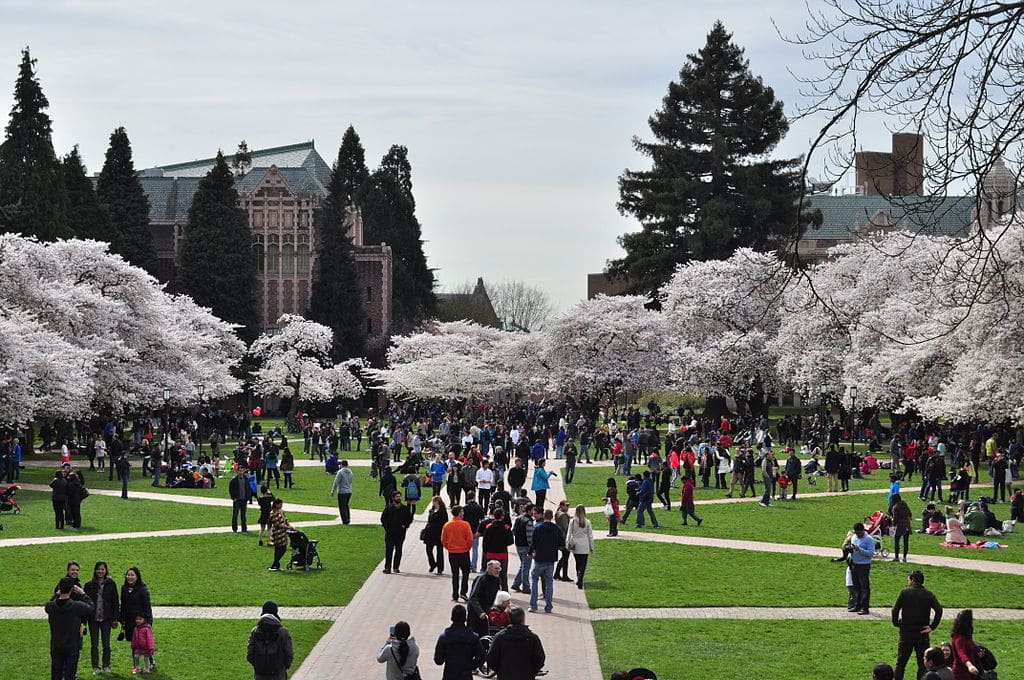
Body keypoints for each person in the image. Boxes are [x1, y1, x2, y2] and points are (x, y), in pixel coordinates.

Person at [891, 570, 943, 680]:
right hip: (922, 633)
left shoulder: (904, 592)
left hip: (906, 632)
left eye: (909, 579)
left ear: (913, 580)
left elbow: (895, 610)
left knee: (901, 663)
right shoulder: (928, 594)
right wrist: (932, 626)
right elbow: (939, 610)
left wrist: (896, 623)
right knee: (923, 664)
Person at [47, 576, 95, 680]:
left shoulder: (50, 606)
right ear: (71, 590)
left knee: (56, 675)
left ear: (59, 588)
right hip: (72, 646)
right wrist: (83, 594)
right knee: (70, 675)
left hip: (56, 645)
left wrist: (56, 594)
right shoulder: (76, 606)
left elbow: (50, 602)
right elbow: (91, 606)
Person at [485, 606, 546, 680]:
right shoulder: (532, 638)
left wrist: (499, 670)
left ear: (509, 619)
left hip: (505, 675)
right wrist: (533, 671)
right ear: (523, 620)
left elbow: (491, 658)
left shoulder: (499, 637)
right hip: (526, 675)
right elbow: (540, 658)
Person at [84, 560, 119, 675]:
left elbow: (115, 602)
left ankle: (106, 665)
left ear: (106, 570)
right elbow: (86, 602)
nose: (100, 571)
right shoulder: (89, 585)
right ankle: (95, 666)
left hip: (106, 618)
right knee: (94, 644)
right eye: (98, 569)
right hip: (93, 618)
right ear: (95, 570)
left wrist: (115, 618)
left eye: (102, 569)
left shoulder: (111, 584)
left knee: (106, 643)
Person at [433, 604, 485, 680]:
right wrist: (471, 666)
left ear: (452, 618)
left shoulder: (444, 637)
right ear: (465, 618)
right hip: (466, 675)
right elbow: (481, 658)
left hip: (449, 675)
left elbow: (438, 660)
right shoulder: (473, 637)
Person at [247, 600, 294, 680]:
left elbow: (250, 655)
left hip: (260, 675)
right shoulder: (283, 632)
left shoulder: (255, 631)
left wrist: (258, 666)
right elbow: (289, 654)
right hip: (278, 675)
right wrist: (283, 667)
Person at [119, 567, 152, 670]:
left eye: (132, 575)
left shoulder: (143, 590)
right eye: (128, 575)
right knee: (134, 643)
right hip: (129, 621)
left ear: (137, 577)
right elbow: (123, 605)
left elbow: (147, 606)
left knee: (144, 643)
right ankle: (136, 665)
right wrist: (121, 618)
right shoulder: (124, 589)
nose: (130, 577)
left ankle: (150, 662)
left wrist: (149, 622)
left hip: (140, 621)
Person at [529, 508, 559, 614]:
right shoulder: (556, 528)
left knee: (534, 580)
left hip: (539, 557)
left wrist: (530, 552)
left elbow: (533, 542)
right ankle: (549, 606)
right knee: (549, 582)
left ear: (544, 516)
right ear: (552, 517)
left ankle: (533, 605)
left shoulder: (538, 528)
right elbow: (560, 541)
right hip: (550, 558)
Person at [442, 504, 474, 601]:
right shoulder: (465, 524)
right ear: (459, 513)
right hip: (463, 552)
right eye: (462, 512)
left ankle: (455, 594)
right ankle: (463, 592)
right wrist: (468, 547)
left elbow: (443, 539)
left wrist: (449, 547)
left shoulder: (447, 525)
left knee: (455, 574)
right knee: (465, 573)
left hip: (452, 552)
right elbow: (470, 539)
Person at [381, 490, 414, 574]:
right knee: (389, 550)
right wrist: (387, 527)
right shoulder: (388, 508)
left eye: (399, 496)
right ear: (393, 498)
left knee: (398, 550)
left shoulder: (404, 509)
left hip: (400, 533)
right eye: (397, 497)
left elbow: (410, 518)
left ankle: (396, 567)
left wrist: (405, 525)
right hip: (390, 533)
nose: (398, 498)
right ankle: (387, 568)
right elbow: (383, 519)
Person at [468, 560, 503, 637]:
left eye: (499, 569)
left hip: (487, 612)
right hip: (476, 612)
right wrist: (480, 612)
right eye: (496, 569)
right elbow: (473, 598)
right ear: (489, 569)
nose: (498, 571)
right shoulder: (481, 579)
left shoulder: (497, 580)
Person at [566, 503, 594, 589]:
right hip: (584, 545)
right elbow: (590, 535)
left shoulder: (572, 521)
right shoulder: (587, 522)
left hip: (576, 544)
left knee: (578, 563)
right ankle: (580, 578)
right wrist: (591, 546)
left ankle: (579, 577)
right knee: (583, 564)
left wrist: (567, 544)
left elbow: (569, 534)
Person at [849, 521, 874, 615]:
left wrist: (859, 549)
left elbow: (871, 553)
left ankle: (865, 608)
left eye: (859, 533)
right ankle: (857, 605)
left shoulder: (869, 539)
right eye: (856, 533)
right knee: (856, 587)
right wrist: (851, 550)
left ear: (863, 530)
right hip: (854, 563)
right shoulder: (854, 537)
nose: (857, 535)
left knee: (864, 587)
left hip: (864, 565)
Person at [949, 609, 982, 680]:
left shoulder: (966, 637)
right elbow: (962, 654)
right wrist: (970, 665)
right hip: (961, 673)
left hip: (969, 672)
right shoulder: (959, 639)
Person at [424, 496, 449, 577]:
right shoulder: (431, 510)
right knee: (428, 550)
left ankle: (440, 568)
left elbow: (445, 523)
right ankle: (433, 564)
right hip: (430, 532)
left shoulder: (442, 511)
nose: (433, 503)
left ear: (438, 502)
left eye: (434, 501)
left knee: (439, 551)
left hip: (439, 533)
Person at [267, 498, 294, 571]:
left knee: (283, 548)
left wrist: (290, 526)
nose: (281, 505)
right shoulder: (273, 513)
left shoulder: (281, 511)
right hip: (277, 533)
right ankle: (275, 564)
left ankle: (275, 564)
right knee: (278, 549)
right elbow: (277, 524)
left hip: (283, 533)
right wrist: (287, 527)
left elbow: (286, 520)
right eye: (280, 504)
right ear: (276, 505)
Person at [891, 494, 914, 562]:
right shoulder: (905, 504)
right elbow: (910, 513)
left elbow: (896, 518)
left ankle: (896, 557)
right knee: (906, 542)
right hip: (907, 524)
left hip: (900, 525)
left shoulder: (895, 507)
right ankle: (904, 557)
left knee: (897, 541)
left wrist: (893, 525)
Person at [330, 459, 354, 525]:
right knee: (346, 505)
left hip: (342, 491)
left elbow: (336, 482)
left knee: (342, 507)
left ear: (342, 465)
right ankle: (348, 518)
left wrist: (333, 491)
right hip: (349, 491)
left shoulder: (340, 472)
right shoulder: (350, 472)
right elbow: (350, 481)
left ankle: (345, 520)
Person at [230, 467, 252, 533]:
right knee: (235, 514)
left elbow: (248, 489)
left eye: (242, 471)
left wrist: (248, 497)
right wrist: (233, 498)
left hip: (244, 500)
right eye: (240, 471)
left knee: (243, 515)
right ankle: (234, 528)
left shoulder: (246, 479)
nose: (241, 472)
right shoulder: (234, 480)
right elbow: (231, 489)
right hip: (237, 500)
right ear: (237, 471)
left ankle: (244, 528)